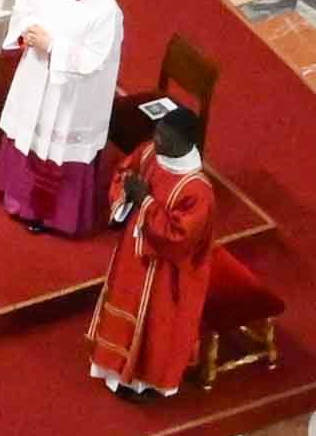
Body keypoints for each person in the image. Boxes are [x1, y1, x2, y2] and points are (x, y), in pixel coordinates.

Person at [86, 104, 236, 395]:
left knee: (155, 325)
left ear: (184, 143)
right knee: (123, 308)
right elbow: (123, 173)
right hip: (132, 256)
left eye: (164, 137)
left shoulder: (197, 190)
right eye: (157, 132)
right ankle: (113, 367)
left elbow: (178, 237)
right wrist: (126, 192)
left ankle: (142, 383)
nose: (157, 141)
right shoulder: (148, 154)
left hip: (167, 274)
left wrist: (145, 202)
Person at [0, 0, 131, 233]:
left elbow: (97, 59)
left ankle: (48, 214)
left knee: (53, 148)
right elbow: (24, 6)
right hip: (36, 77)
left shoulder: (106, 10)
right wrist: (27, 31)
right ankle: (15, 196)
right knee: (26, 134)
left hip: (69, 97)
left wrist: (53, 46)